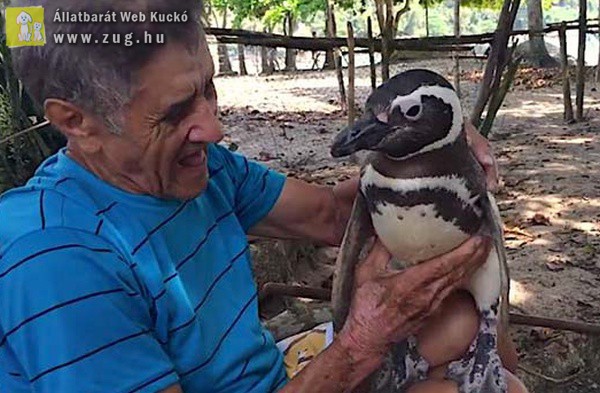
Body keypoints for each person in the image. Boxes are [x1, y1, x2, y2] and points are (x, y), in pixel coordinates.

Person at [0, 1, 527, 392]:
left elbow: (331, 215)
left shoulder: (198, 169)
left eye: (209, 89)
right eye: (177, 111)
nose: (215, 129)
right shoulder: (56, 258)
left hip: (272, 371)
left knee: (470, 334)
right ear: (75, 120)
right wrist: (358, 344)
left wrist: (435, 145)